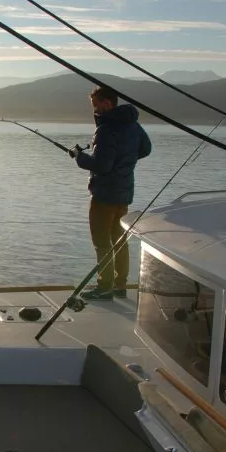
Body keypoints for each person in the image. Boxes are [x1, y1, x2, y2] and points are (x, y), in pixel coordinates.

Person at [70, 86, 152, 301]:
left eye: (96, 105)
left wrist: (79, 156)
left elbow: (102, 165)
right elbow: (145, 149)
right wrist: (125, 162)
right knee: (119, 240)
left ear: (108, 103)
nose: (95, 110)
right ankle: (120, 285)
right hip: (124, 193)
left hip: (104, 194)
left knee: (102, 242)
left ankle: (104, 286)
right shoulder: (133, 125)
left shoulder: (106, 129)